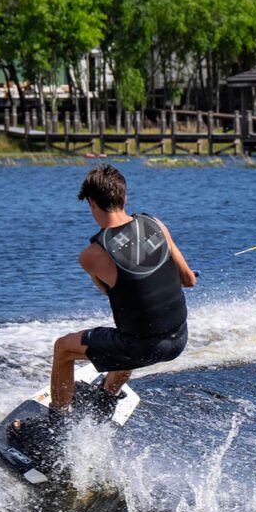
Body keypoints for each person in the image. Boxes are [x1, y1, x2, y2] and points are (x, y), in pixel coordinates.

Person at [48, 164, 197, 422]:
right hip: (178, 338)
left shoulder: (92, 255)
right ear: (124, 198)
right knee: (128, 333)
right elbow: (189, 280)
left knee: (63, 348)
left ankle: (56, 428)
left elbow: (113, 293)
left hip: (142, 346)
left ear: (91, 202)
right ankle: (105, 398)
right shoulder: (156, 225)